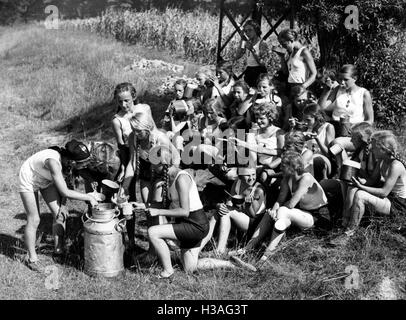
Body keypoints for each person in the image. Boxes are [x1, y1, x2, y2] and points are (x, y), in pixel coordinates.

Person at [18, 140, 100, 272]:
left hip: (46, 179)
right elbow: (64, 191)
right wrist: (89, 197)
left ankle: (58, 251)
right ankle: (32, 258)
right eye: (83, 164)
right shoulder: (53, 162)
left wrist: (62, 205)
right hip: (29, 178)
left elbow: (66, 186)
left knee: (59, 215)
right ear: (73, 161)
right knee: (34, 219)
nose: (85, 166)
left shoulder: (68, 164)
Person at [240, 151, 328, 263]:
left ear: (292, 167)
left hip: (317, 217)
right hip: (301, 213)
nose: (280, 168)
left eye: (283, 166)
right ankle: (247, 248)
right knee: (269, 213)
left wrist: (277, 211)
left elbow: (291, 204)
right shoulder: (288, 178)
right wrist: (273, 211)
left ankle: (266, 255)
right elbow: (280, 200)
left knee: (282, 210)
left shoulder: (306, 178)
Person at [333, 131, 406, 242]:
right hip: (389, 198)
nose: (371, 149)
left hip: (398, 204)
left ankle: (349, 233)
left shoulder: (395, 165)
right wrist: (360, 181)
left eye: (374, 147)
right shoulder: (381, 160)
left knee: (360, 195)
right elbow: (372, 180)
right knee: (353, 188)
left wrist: (361, 187)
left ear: (383, 148)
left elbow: (384, 192)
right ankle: (345, 223)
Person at [210, 167, 266, 254]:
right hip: (241, 216)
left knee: (227, 211)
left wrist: (248, 205)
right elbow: (230, 202)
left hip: (255, 223)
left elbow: (253, 215)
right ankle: (202, 243)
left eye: (253, 174)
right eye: (247, 175)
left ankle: (219, 250)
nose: (251, 178)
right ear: (240, 176)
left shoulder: (258, 189)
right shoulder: (237, 183)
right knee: (219, 211)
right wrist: (220, 206)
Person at [318, 64, 373, 138]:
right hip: (334, 127)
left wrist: (355, 126)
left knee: (336, 144)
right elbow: (321, 107)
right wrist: (327, 90)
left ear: (355, 78)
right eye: (340, 79)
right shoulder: (338, 89)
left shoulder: (364, 93)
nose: (342, 82)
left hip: (354, 131)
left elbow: (370, 121)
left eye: (346, 79)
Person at [276, 29, 317, 93]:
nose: (283, 47)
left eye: (284, 44)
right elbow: (286, 72)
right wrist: (282, 57)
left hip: (301, 85)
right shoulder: (291, 52)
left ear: (291, 41)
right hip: (290, 85)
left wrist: (303, 87)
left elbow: (314, 74)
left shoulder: (304, 52)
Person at [253, 103, 285, 185]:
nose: (258, 121)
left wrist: (267, 167)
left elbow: (282, 155)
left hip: (274, 167)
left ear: (270, 118)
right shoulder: (255, 132)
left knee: (264, 177)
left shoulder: (278, 132)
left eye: (262, 118)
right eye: (257, 118)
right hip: (258, 165)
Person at [302, 103, 335, 181]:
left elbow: (329, 154)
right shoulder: (307, 128)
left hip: (323, 161)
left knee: (314, 159)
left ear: (317, 118)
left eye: (308, 120)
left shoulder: (328, 127)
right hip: (307, 160)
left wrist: (317, 139)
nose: (306, 123)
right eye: (304, 120)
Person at [233, 20, 269, 88]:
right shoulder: (246, 42)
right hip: (249, 70)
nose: (247, 33)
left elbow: (262, 63)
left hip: (259, 71)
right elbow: (238, 55)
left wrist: (252, 50)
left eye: (250, 30)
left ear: (256, 30)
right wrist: (242, 39)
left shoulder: (262, 43)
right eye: (246, 31)